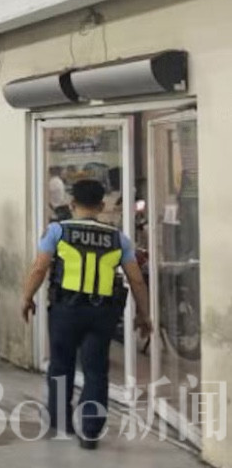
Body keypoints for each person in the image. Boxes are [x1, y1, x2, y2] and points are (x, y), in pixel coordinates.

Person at [20, 179, 150, 449]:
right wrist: (144, 314)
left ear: (72, 204)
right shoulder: (118, 238)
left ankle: (60, 421)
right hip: (102, 313)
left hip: (65, 310)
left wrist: (27, 297)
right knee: (95, 370)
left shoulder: (57, 230)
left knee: (61, 365)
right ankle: (91, 431)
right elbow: (136, 280)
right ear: (102, 206)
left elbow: (39, 268)